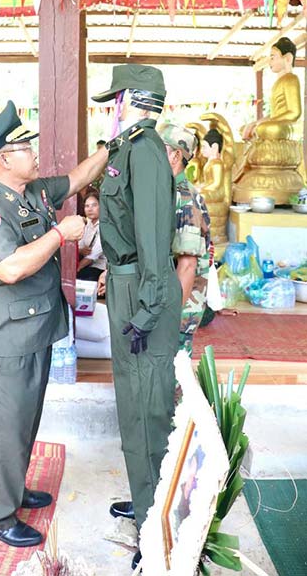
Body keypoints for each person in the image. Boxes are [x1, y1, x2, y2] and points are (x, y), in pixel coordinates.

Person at [0, 100, 108, 548]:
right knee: (8, 431)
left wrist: (112, 144)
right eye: (25, 148)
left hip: (34, 334)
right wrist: (59, 234)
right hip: (6, 344)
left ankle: (14, 487)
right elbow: (9, 268)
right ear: (3, 161)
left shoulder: (33, 192)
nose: (34, 153)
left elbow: (80, 177)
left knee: (24, 422)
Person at [92, 64, 181, 571]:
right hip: (128, 284)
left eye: (115, 99)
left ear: (131, 99)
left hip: (143, 289)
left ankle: (159, 530)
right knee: (132, 403)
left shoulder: (145, 151)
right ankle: (147, 498)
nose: (111, 108)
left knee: (148, 408)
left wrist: (147, 308)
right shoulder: (129, 148)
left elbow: (151, 237)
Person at [159, 123, 212, 357]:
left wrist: (170, 318)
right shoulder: (169, 192)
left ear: (175, 156)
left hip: (179, 310)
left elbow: (188, 264)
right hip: (168, 301)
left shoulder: (185, 199)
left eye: (159, 149)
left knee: (174, 370)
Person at [77, 191, 106, 282]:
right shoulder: (86, 224)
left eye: (94, 205)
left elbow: (93, 255)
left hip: (100, 268)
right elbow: (80, 245)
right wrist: (81, 250)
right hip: (86, 266)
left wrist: (76, 269)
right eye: (87, 206)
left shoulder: (105, 225)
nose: (90, 209)